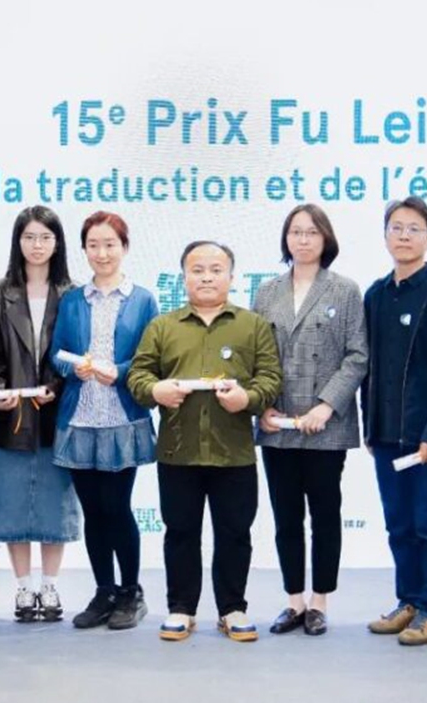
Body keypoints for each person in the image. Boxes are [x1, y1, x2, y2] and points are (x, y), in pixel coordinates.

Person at [129, 241, 282, 643]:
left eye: (216, 269)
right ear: (184, 277)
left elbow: (270, 379)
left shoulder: (252, 325)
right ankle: (181, 608)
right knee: (180, 532)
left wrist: (246, 399)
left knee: (234, 532)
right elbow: (139, 376)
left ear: (232, 276)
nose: (207, 277)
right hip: (179, 450)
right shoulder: (163, 326)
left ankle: (233, 608)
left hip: (234, 452)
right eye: (198, 270)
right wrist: (157, 390)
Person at [253, 204, 367, 637]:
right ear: (286, 239)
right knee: (285, 518)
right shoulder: (267, 292)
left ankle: (320, 602)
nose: (302, 240)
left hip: (325, 425)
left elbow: (358, 356)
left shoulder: (345, 290)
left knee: (324, 514)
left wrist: (326, 405)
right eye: (295, 232)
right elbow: (256, 357)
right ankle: (293, 601)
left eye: (311, 232)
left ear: (326, 240)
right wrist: (263, 405)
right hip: (278, 423)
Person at [360, 197, 427, 645]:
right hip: (386, 432)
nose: (404, 236)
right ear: (385, 236)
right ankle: (407, 600)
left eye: (414, 228)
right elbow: (370, 367)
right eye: (396, 228)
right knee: (398, 522)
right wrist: (370, 426)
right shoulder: (376, 294)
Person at [50, 211, 160, 631]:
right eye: (93, 245)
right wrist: (70, 368)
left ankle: (131, 592)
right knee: (93, 511)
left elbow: (153, 357)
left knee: (117, 508)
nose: (102, 253)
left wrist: (122, 370)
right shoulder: (74, 300)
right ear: (84, 250)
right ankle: (103, 591)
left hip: (121, 417)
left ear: (125, 248)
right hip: (79, 418)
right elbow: (57, 352)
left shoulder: (143, 299)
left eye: (110, 244)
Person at [0, 206, 80, 623]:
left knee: (55, 506)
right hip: (11, 416)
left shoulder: (73, 294)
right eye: (29, 237)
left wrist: (55, 389)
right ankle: (23, 589)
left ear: (57, 243)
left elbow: (75, 351)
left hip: (57, 415)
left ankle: (51, 586)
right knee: (13, 505)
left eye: (45, 237)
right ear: (17, 242)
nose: (37, 246)